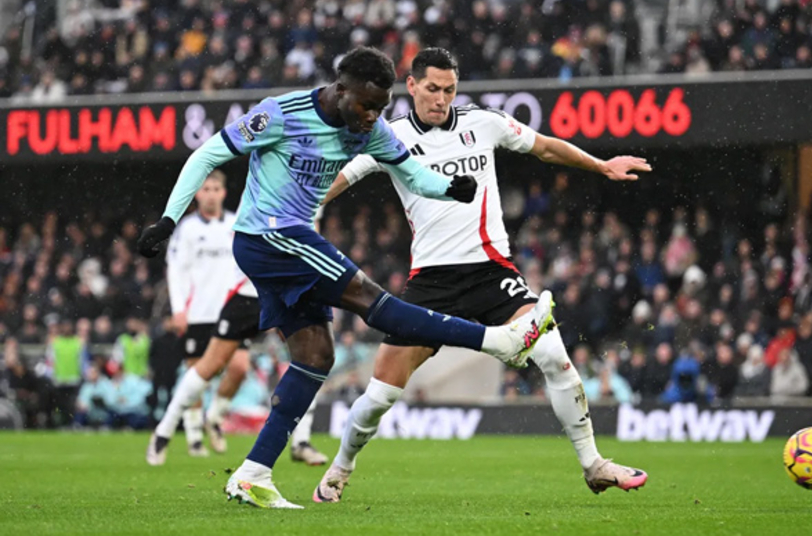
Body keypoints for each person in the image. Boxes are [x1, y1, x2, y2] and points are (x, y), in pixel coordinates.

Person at [136, 46, 554, 509]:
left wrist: (449, 189)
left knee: (316, 355)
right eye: (365, 104)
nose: (372, 115)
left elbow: (413, 175)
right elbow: (207, 155)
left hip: (287, 244)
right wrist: (169, 221)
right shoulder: (281, 114)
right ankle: (498, 341)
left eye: (381, 107)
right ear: (340, 90)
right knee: (371, 300)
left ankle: (252, 474)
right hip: (268, 236)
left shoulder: (368, 129)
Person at [315, 48, 650, 504]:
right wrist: (298, 210)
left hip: (491, 273)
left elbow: (546, 146)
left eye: (449, 90)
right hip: (430, 282)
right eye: (432, 88)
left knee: (553, 353)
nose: (441, 99)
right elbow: (340, 178)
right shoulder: (387, 137)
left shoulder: (483, 124)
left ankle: (594, 465)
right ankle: (340, 468)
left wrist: (600, 165)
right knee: (379, 395)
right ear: (411, 86)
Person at [147, 268, 328, 467]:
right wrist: (179, 307)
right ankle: (169, 432)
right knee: (208, 367)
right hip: (232, 299)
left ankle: (301, 441)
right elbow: (177, 265)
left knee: (309, 357)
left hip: (283, 290)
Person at [162, 170, 247, 457]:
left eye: (215, 189)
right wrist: (178, 310)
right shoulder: (186, 229)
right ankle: (195, 436)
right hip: (198, 313)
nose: (210, 194)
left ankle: (216, 418)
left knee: (240, 367)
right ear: (198, 193)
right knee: (196, 373)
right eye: (205, 188)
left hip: (233, 310)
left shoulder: (237, 224)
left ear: (223, 193)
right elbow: (176, 270)